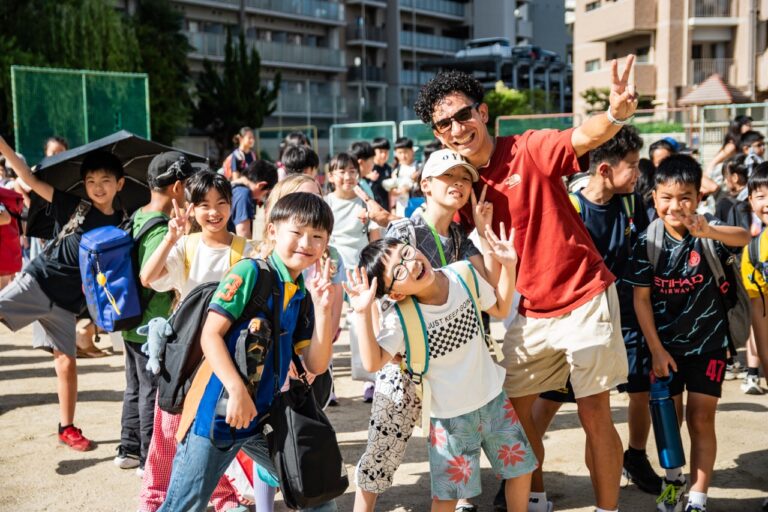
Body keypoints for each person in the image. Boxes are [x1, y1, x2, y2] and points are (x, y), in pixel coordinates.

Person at [412, 59, 638, 512]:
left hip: (583, 294)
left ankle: (607, 508)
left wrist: (614, 115)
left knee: (594, 410)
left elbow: (582, 137)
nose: (456, 128)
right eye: (444, 124)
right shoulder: (460, 186)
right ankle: (534, 497)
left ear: (482, 113)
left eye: (463, 115)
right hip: (526, 309)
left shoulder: (528, 148)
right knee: (513, 412)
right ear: (437, 134)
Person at [157, 192, 337, 512]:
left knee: (316, 492)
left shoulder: (302, 294)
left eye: (317, 236)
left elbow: (315, 364)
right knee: (183, 506)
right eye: (297, 232)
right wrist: (237, 391)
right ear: (272, 231)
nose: (306, 243)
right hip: (216, 415)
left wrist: (323, 312)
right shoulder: (250, 273)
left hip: (264, 418)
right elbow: (210, 335)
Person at [346, 229, 537, 512]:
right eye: (398, 271)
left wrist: (509, 266)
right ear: (396, 294)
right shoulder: (401, 317)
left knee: (520, 471)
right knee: (448, 497)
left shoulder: (464, 274)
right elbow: (373, 362)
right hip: (449, 419)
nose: (411, 264)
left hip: (494, 400)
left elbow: (499, 308)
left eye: (406, 253)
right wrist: (362, 312)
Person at [353, 149, 497, 512]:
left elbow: (489, 290)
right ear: (427, 185)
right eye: (449, 177)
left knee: (459, 437)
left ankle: (460, 499)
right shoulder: (405, 231)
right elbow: (383, 297)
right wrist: (393, 356)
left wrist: (484, 233)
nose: (458, 184)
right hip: (405, 362)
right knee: (384, 448)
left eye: (464, 178)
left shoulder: (461, 236)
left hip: (449, 362)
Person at [530, 127, 658, 508]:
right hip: (576, 323)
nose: (638, 173)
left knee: (637, 392)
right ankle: (524, 482)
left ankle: (636, 457)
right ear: (604, 169)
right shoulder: (569, 206)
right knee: (549, 404)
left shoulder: (633, 204)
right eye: (632, 165)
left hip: (625, 317)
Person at [628, 154, 750, 512]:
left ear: (698, 197)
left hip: (709, 345)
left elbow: (744, 236)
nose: (675, 206)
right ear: (654, 197)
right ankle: (673, 481)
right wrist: (656, 349)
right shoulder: (646, 241)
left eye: (685, 197)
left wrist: (708, 231)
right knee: (669, 419)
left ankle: (697, 498)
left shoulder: (710, 229)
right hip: (663, 348)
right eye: (666, 197)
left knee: (700, 418)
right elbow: (640, 300)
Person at [138, 171, 256, 512]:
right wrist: (170, 238)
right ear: (191, 208)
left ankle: (223, 497)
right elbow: (148, 277)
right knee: (169, 426)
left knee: (210, 430)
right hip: (184, 351)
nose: (214, 212)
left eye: (221, 203)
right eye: (204, 205)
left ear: (231, 205)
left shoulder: (245, 250)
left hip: (223, 355)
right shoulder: (187, 246)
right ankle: (155, 498)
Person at [0, 137, 127, 451]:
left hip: (67, 302)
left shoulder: (123, 221)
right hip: (39, 281)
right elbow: (28, 179)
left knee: (67, 364)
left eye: (105, 181)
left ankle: (67, 427)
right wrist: (3, 147)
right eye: (91, 181)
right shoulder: (74, 205)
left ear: (120, 184)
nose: (98, 187)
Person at [114, 152, 197, 474]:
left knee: (134, 387)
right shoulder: (161, 228)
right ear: (177, 187)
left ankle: (128, 448)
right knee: (151, 390)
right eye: (187, 184)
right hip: (151, 323)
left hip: (130, 317)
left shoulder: (139, 214)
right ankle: (148, 456)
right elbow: (151, 275)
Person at [324, 152, 380, 401]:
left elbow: (375, 238)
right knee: (328, 325)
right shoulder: (325, 203)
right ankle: (326, 383)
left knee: (363, 323)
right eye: (341, 171)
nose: (347, 176)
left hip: (360, 268)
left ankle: (370, 379)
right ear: (331, 176)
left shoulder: (365, 202)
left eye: (352, 171)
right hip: (332, 268)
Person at [738, 162, 768, 395]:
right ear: (750, 201)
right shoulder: (753, 250)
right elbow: (760, 315)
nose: (767, 203)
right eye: (761, 196)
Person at [227, 159, 278, 239]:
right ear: (261, 185)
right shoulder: (244, 194)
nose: (264, 197)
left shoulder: (232, 187)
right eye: (266, 193)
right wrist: (250, 247)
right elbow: (243, 232)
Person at [704, 115, 752, 183]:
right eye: (748, 125)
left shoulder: (742, 144)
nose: (751, 128)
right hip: (721, 179)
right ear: (738, 126)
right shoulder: (732, 146)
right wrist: (707, 179)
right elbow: (713, 162)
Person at [384, 137, 417, 216]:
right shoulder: (396, 170)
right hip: (400, 210)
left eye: (405, 152)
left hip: (416, 208)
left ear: (412, 151)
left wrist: (410, 188)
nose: (403, 156)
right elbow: (392, 192)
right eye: (400, 152)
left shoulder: (419, 167)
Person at [370, 137, 393, 210]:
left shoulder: (388, 169)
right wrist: (368, 175)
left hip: (385, 207)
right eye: (380, 152)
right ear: (373, 152)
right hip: (371, 207)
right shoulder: (369, 167)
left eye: (386, 152)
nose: (384, 155)